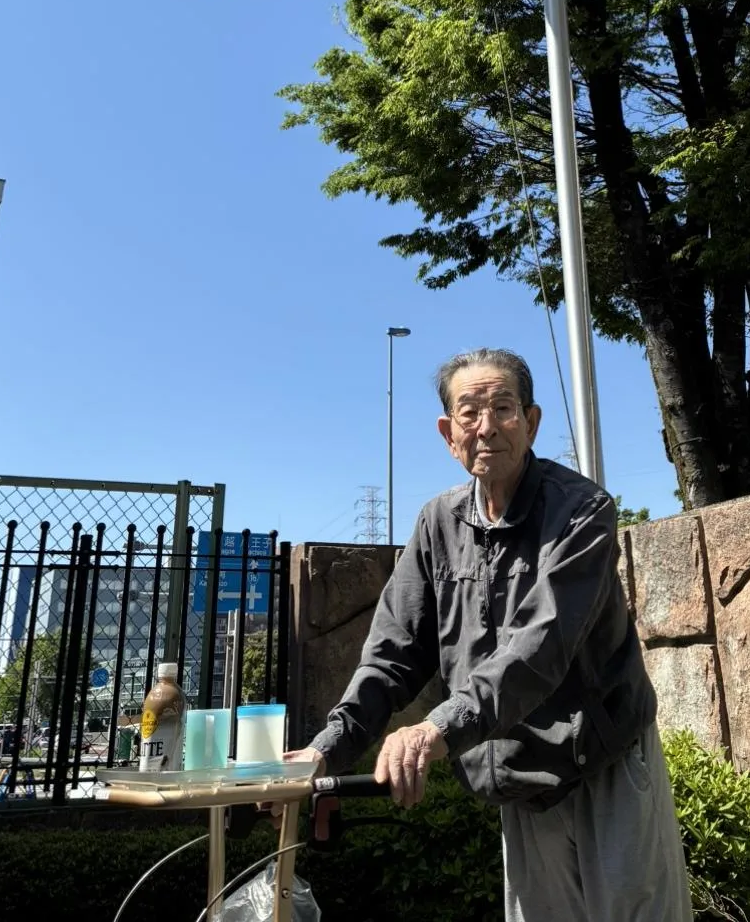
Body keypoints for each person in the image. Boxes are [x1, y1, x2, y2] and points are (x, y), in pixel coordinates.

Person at [291, 347, 693, 922]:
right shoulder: (437, 523)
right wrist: (326, 750)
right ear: (447, 433)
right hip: (519, 777)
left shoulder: (582, 511)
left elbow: (540, 647)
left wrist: (436, 728)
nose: (486, 427)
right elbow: (391, 656)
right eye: (469, 412)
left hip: (602, 760)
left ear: (531, 422)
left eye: (503, 408)